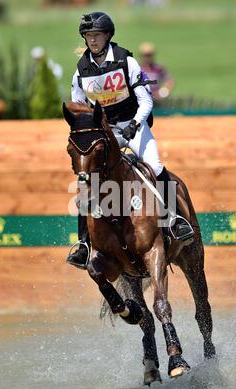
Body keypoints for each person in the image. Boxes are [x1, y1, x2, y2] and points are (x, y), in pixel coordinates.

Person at [67, 12, 193, 269]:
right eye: (88, 36)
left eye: (97, 35)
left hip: (132, 126)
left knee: (155, 167)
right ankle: (84, 243)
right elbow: (80, 110)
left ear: (107, 36)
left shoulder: (127, 62)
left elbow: (146, 100)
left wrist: (134, 125)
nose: (92, 41)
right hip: (103, 132)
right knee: (86, 179)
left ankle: (174, 220)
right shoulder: (80, 72)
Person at [139, 42, 174, 106]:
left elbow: (169, 81)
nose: (147, 58)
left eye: (149, 55)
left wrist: (162, 93)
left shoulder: (158, 68)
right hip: (141, 101)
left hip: (156, 101)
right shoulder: (137, 68)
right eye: (145, 55)